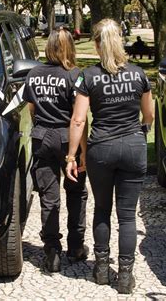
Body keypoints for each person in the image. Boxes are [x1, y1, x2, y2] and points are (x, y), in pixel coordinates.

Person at [65, 18, 154, 294]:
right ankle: (125, 275)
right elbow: (149, 115)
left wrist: (71, 156)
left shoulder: (87, 76)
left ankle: (102, 268)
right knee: (127, 217)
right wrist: (139, 132)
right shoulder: (139, 74)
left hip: (101, 149)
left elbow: (79, 120)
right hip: (132, 147)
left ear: (96, 44)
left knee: (102, 209)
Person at [23, 27, 89, 272]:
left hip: (42, 137)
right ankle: (76, 246)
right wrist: (82, 152)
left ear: (48, 46)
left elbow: (31, 108)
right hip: (67, 137)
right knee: (76, 192)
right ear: (70, 47)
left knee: (48, 197)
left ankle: (51, 251)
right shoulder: (75, 75)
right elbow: (79, 117)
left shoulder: (33, 73)